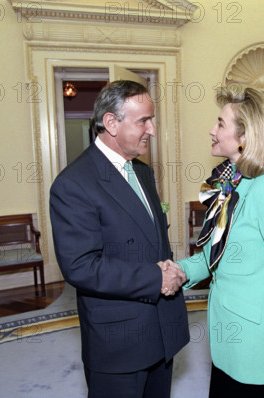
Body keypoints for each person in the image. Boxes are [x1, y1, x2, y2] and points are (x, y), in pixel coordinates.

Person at [162, 86, 264, 397]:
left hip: (257, 339)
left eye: (220, 123)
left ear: (244, 137)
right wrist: (177, 270)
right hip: (226, 335)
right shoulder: (231, 182)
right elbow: (213, 257)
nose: (212, 129)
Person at [49, 80, 190, 398]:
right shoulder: (73, 184)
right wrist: (157, 277)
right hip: (119, 342)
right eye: (144, 121)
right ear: (111, 123)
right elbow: (81, 267)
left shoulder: (142, 172)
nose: (152, 130)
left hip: (160, 329)